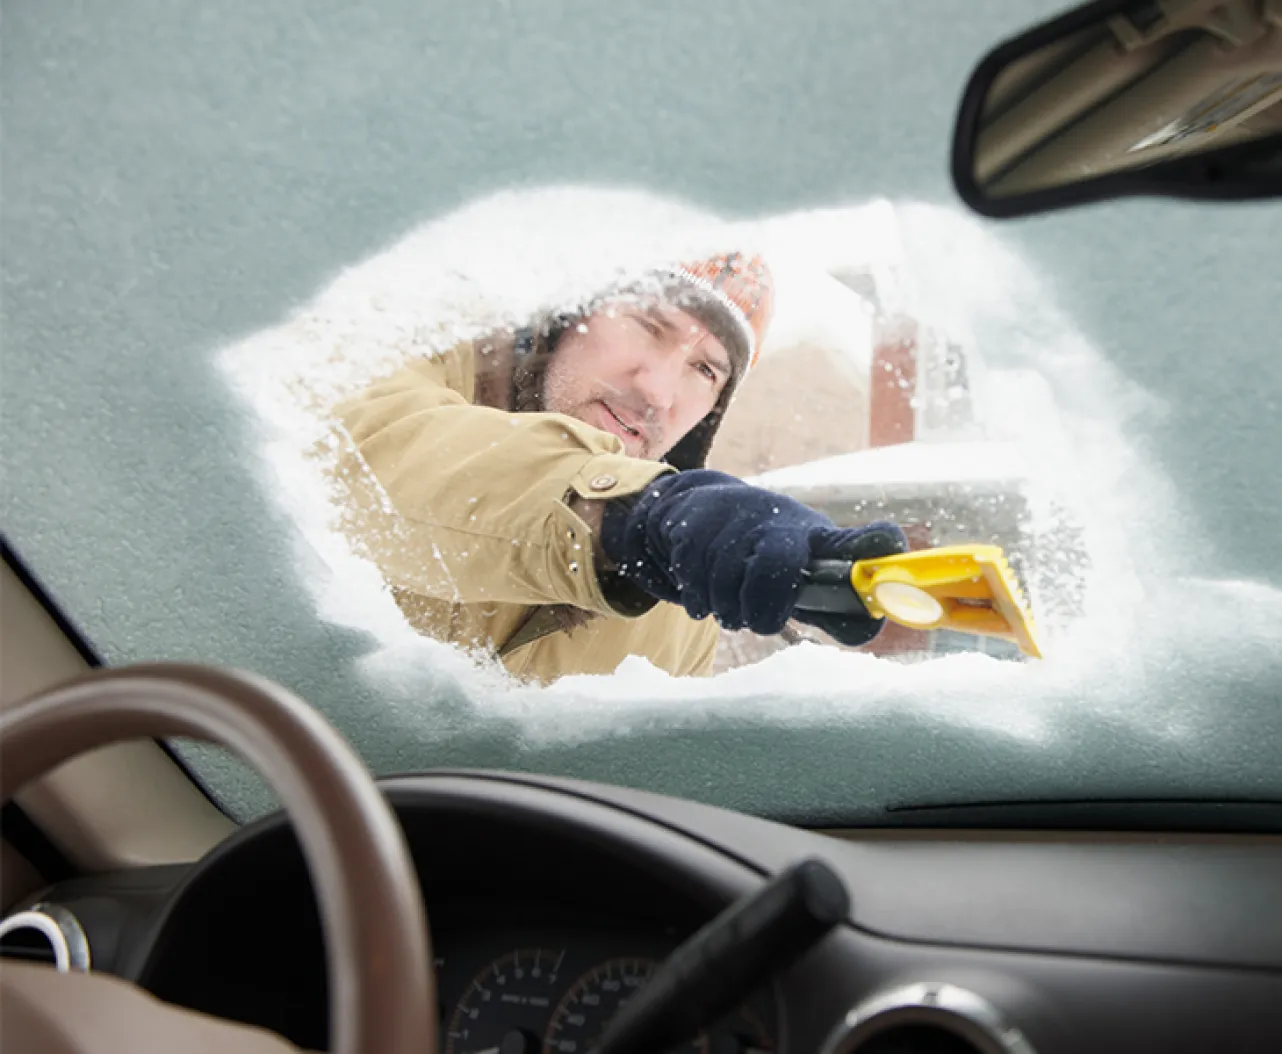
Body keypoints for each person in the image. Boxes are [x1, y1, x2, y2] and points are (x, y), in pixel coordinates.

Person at [328, 251, 907, 683]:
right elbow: (369, 467)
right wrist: (630, 514)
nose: (658, 391)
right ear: (569, 315)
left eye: (705, 370)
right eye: (649, 325)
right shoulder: (401, 363)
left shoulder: (681, 609)